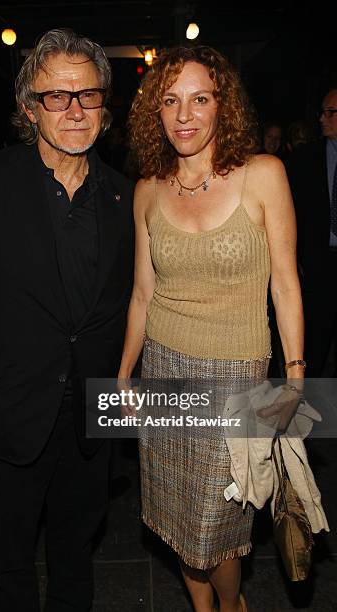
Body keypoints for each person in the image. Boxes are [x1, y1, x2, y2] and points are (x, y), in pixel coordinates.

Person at [0, 28, 134, 611]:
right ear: (29, 107)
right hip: (6, 409)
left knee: (77, 549)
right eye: (57, 96)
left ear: (104, 105)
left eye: (88, 95)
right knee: (9, 555)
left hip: (92, 414)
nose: (75, 109)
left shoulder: (127, 196)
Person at [118, 46, 304, 612]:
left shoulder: (263, 175)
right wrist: (124, 374)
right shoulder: (148, 189)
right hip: (164, 369)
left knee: (218, 523)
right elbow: (142, 293)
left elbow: (286, 284)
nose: (184, 115)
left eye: (200, 99)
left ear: (224, 106)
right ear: (156, 112)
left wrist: (294, 378)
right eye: (171, 102)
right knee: (176, 512)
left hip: (237, 376)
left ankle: (233, 603)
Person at [286, 87, 337, 377]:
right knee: (315, 344)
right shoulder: (305, 159)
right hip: (319, 266)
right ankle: (308, 405)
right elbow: (294, 213)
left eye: (330, 113)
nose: (321, 119)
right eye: (322, 111)